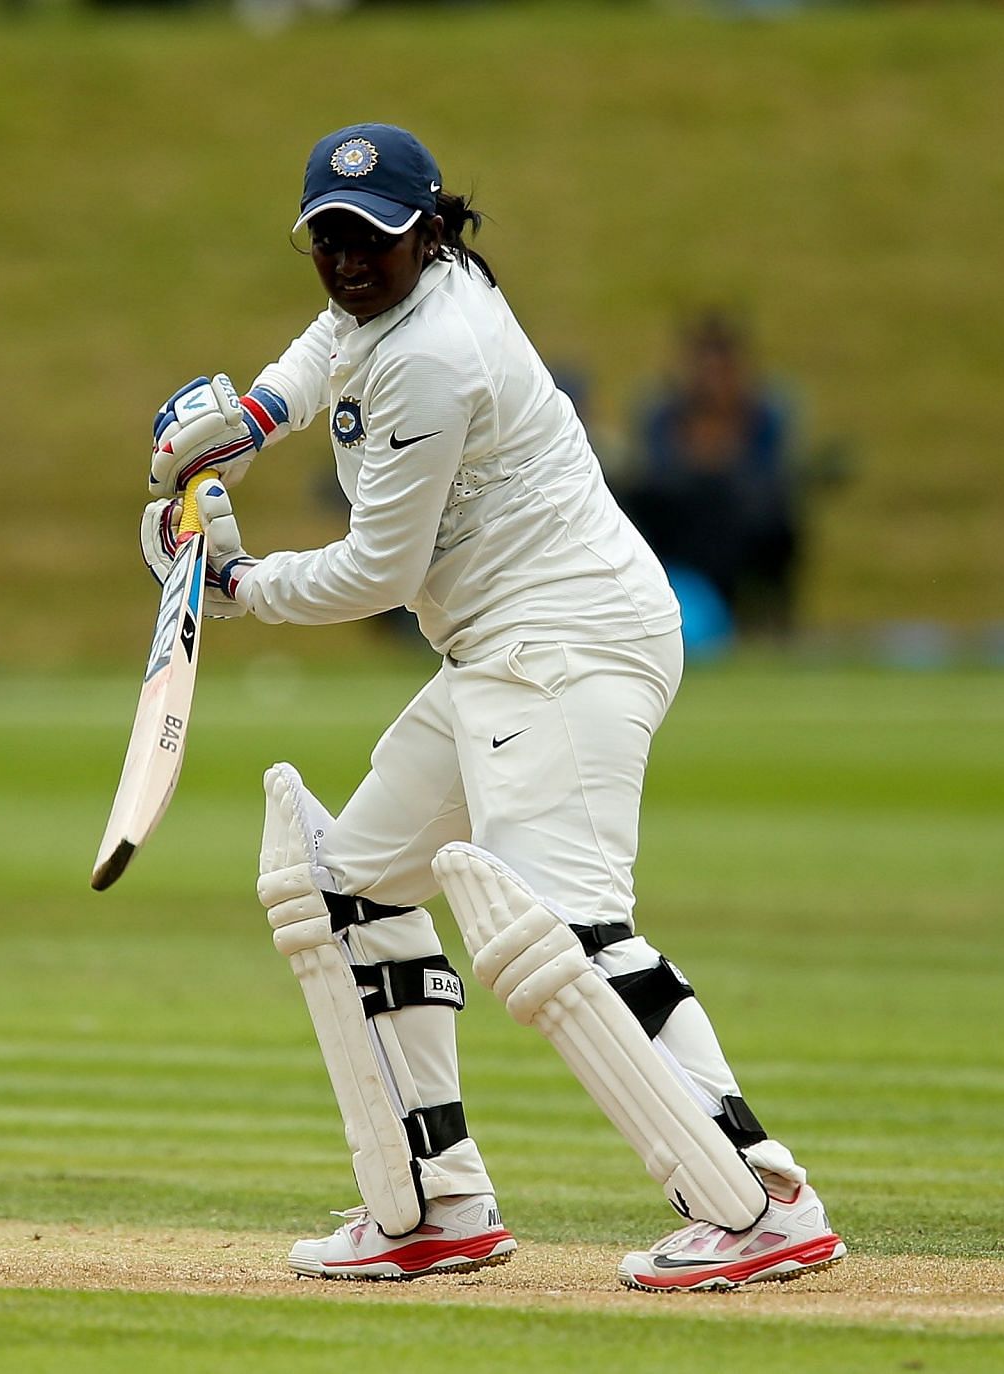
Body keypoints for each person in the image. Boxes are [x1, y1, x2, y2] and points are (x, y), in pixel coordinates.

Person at [136, 124, 843, 1292]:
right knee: (349, 885)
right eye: (329, 238)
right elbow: (331, 336)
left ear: (429, 230)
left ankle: (762, 1198)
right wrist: (260, 417)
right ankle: (435, 1202)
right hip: (503, 654)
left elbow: (374, 572)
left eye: (374, 238)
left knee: (568, 926)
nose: (350, 261)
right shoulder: (404, 298)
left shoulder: (435, 355)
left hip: (565, 648)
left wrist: (237, 585)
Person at [621, 312, 802, 636]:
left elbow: (771, 478)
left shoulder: (763, 415)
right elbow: (655, 478)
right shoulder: (664, 416)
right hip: (681, 527)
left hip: (743, 525)